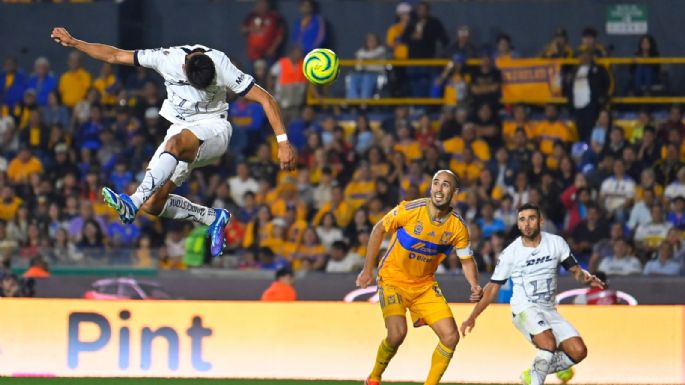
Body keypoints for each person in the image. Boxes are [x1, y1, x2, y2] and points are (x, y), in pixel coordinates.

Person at [50, 27, 296, 258]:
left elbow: (266, 99)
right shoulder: (166, 58)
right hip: (180, 129)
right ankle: (212, 217)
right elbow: (115, 56)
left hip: (214, 128)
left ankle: (130, 203)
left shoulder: (221, 64)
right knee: (153, 204)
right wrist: (74, 42)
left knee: (174, 147)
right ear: (184, 67)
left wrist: (282, 142)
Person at [356, 170, 482, 385]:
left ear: (455, 192)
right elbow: (379, 229)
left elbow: (466, 259)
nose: (439, 189)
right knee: (397, 334)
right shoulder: (411, 209)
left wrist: (474, 284)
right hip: (392, 279)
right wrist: (367, 270)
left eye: (445, 185)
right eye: (436, 183)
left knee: (451, 337)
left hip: (424, 285)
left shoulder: (458, 227)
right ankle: (374, 377)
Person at [460, 203, 605, 385]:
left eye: (531, 218)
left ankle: (531, 375)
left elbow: (575, 270)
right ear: (518, 225)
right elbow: (492, 288)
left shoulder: (556, 243)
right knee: (549, 345)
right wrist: (473, 316)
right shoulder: (511, 253)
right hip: (524, 308)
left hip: (549, 309)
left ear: (541, 221)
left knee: (578, 351)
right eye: (522, 219)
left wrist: (586, 278)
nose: (527, 223)